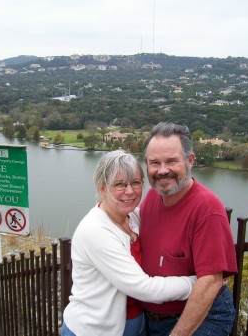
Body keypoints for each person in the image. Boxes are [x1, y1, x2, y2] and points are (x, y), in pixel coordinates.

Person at [62, 150, 197, 336]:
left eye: (135, 183)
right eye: (119, 184)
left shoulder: (132, 216)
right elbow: (143, 288)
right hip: (94, 330)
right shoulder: (96, 231)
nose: (129, 191)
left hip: (134, 323)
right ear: (102, 188)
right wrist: (196, 283)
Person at [140, 122, 238, 336]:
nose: (162, 170)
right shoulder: (152, 198)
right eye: (154, 163)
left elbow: (211, 281)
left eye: (171, 161)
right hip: (152, 319)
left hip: (202, 317)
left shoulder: (207, 208)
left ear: (190, 160)